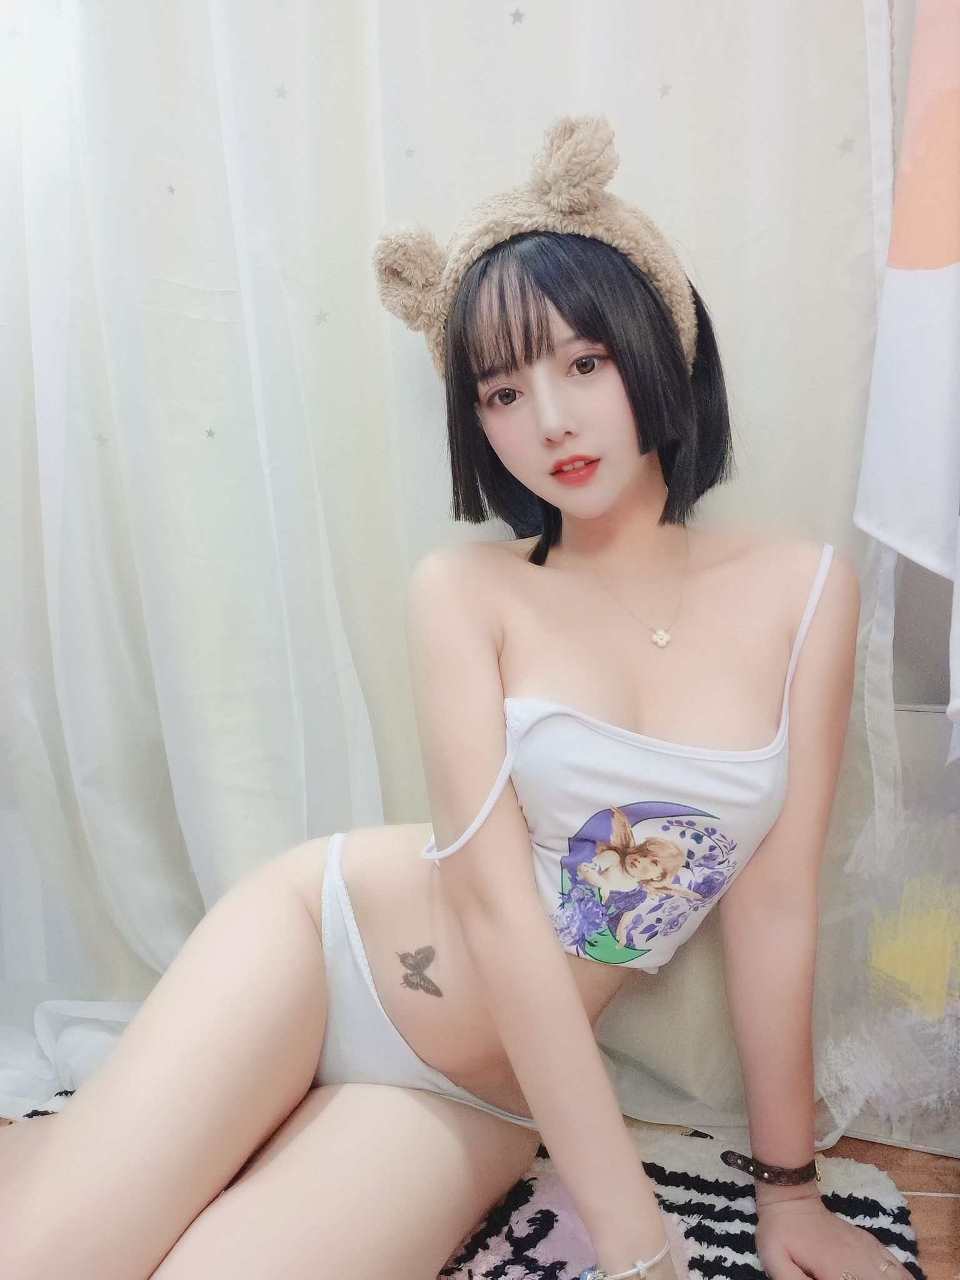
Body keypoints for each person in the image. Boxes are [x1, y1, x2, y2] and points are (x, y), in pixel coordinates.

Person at [0, 114, 908, 1280]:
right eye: (501, 391)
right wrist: (639, 1244)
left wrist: (789, 1194)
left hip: (483, 1089)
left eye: (584, 362)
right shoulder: (466, 591)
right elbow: (497, 911)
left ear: (659, 344)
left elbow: (775, 911)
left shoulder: (804, 591)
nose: (551, 420)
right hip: (320, 952)